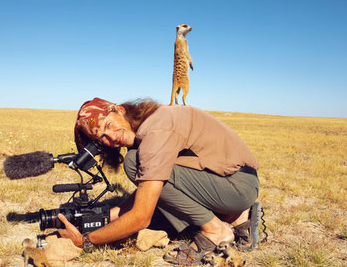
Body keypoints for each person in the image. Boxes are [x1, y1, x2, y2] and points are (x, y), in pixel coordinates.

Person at [57, 97, 261, 265]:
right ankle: (237, 216)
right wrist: (107, 216)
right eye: (102, 138)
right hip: (234, 180)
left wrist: (85, 241)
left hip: (236, 187)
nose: (112, 137)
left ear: (119, 110)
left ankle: (216, 230)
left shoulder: (155, 131)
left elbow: (141, 217)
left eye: (108, 125)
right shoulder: (153, 120)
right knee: (149, 185)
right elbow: (153, 188)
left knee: (133, 164)